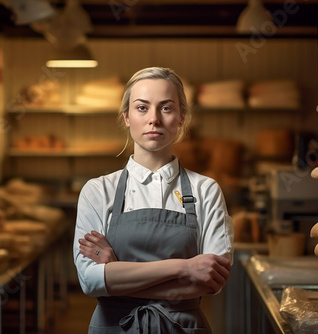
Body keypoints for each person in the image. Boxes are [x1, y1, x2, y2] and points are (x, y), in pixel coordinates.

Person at [73, 67, 234, 333]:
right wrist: (184, 267)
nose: (154, 119)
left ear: (182, 117)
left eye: (166, 108)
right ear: (126, 117)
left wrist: (115, 272)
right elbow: (90, 281)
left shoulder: (206, 190)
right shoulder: (98, 191)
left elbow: (210, 281)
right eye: (142, 108)